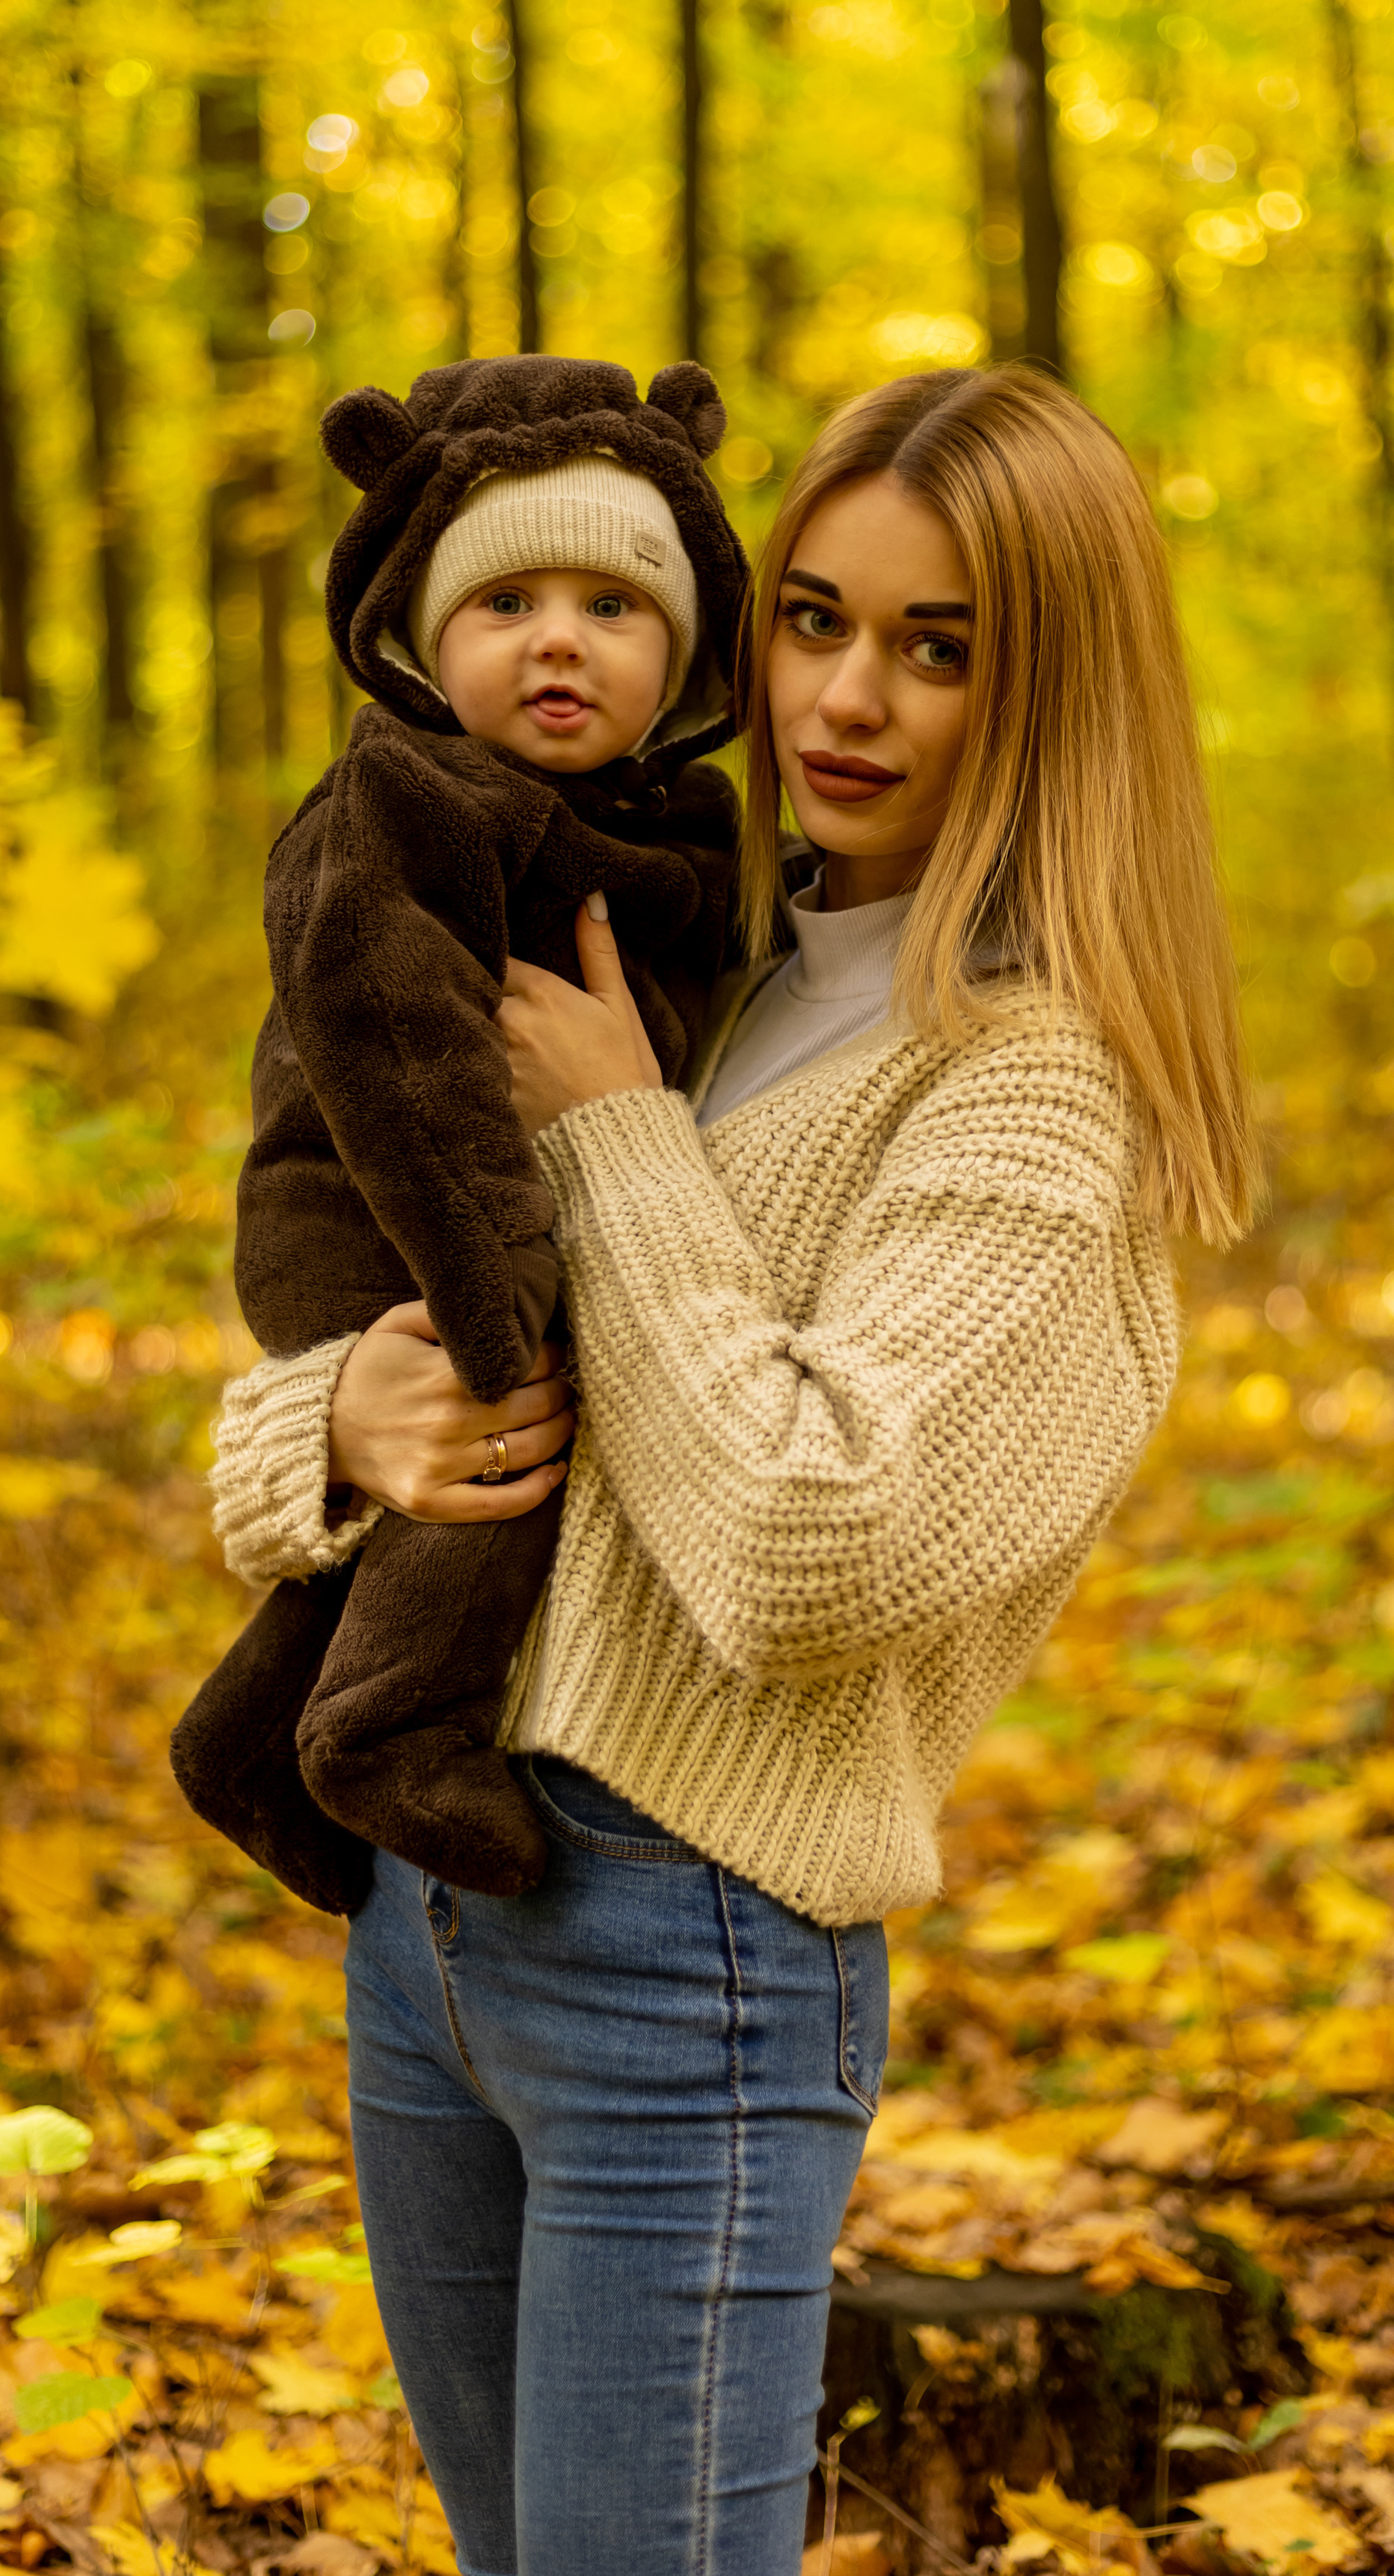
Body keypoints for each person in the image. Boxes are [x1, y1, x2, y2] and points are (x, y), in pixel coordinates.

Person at [205, 361, 1253, 2576]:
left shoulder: (1044, 1091)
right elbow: (411, 1308)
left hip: (689, 1941)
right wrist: (333, 1431)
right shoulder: (698, 953)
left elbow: (810, 1539)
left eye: (940, 646)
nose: (845, 696)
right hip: (435, 1905)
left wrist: (616, 1136)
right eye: (812, 616)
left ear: (1057, 695)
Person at [172, 354, 748, 1918]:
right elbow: (398, 1042)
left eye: (613, 607)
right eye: (505, 606)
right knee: (518, 1431)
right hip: (370, 1207)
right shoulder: (404, 800)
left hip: (475, 1206)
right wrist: (494, 1287)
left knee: (471, 1462)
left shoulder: (659, 819)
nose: (558, 636)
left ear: (685, 654)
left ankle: (250, 1733)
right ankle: (387, 1726)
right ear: (424, 643)